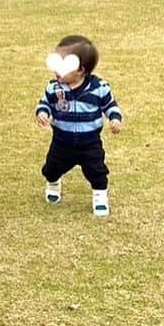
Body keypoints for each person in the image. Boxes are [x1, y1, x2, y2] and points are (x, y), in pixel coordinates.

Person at [35, 34, 123, 218]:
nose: (56, 70)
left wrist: (115, 119)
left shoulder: (99, 88)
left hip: (89, 142)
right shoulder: (54, 88)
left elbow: (110, 105)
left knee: (97, 169)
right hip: (62, 140)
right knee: (52, 167)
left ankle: (100, 196)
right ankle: (53, 183)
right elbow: (45, 103)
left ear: (80, 69)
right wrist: (42, 113)